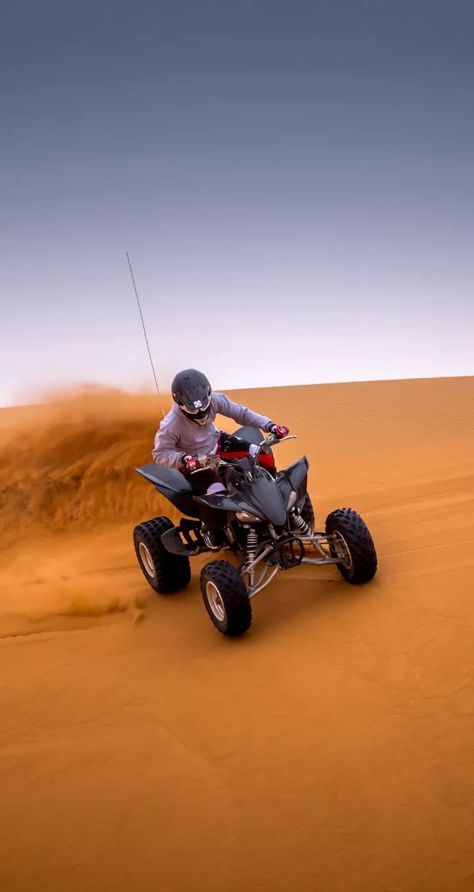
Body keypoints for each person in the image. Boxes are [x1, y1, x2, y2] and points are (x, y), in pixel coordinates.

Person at [152, 369, 289, 546]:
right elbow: (159, 453)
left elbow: (242, 414)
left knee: (263, 457)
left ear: (208, 394)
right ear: (180, 404)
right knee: (217, 493)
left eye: (203, 406)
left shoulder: (217, 400)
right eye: (194, 409)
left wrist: (269, 425)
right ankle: (213, 530)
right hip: (197, 460)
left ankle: (273, 499)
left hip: (218, 443)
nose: (201, 412)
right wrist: (183, 459)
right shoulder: (171, 424)